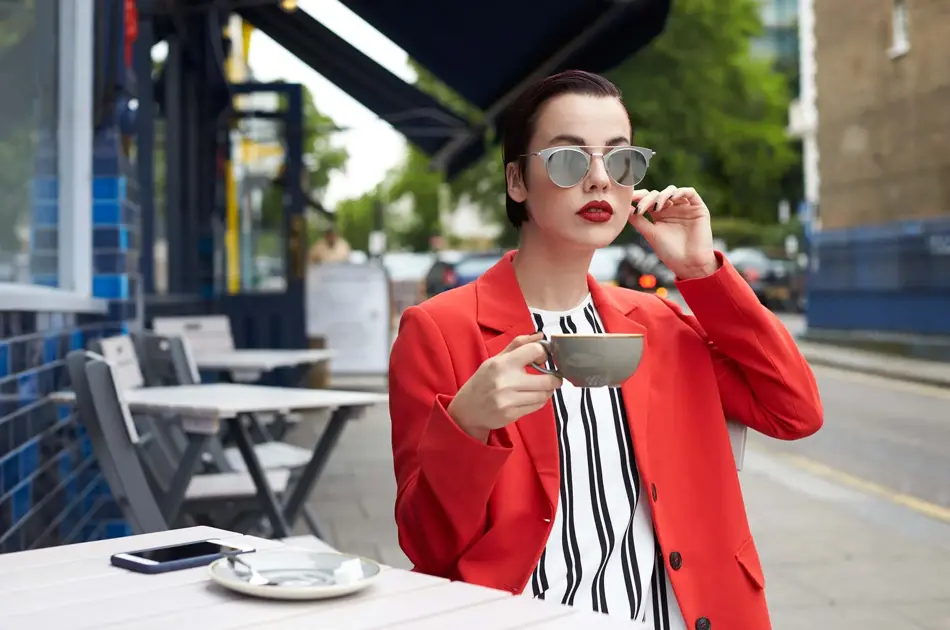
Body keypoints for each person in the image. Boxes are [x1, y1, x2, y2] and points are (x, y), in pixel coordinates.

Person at [388, 70, 822, 630]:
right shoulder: (439, 331)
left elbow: (795, 411)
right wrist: (467, 425)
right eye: (569, 160)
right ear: (517, 181)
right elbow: (426, 544)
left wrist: (699, 270)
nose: (599, 180)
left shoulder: (659, 323)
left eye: (620, 161)